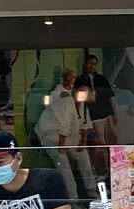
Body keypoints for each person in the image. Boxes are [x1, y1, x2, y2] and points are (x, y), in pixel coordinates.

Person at [36, 67, 95, 200]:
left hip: (69, 136)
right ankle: (73, 199)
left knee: (83, 155)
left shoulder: (82, 103)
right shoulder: (64, 99)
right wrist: (62, 146)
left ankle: (92, 190)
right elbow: (64, 124)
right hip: (50, 134)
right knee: (64, 164)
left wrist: (82, 142)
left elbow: (85, 123)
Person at [80, 54, 117, 145]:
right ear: (85, 64)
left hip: (107, 112)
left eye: (94, 64)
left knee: (113, 138)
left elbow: (110, 96)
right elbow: (80, 102)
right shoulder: (80, 80)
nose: (92, 66)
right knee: (101, 141)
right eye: (90, 63)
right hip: (94, 115)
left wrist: (115, 113)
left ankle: (114, 154)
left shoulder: (101, 78)